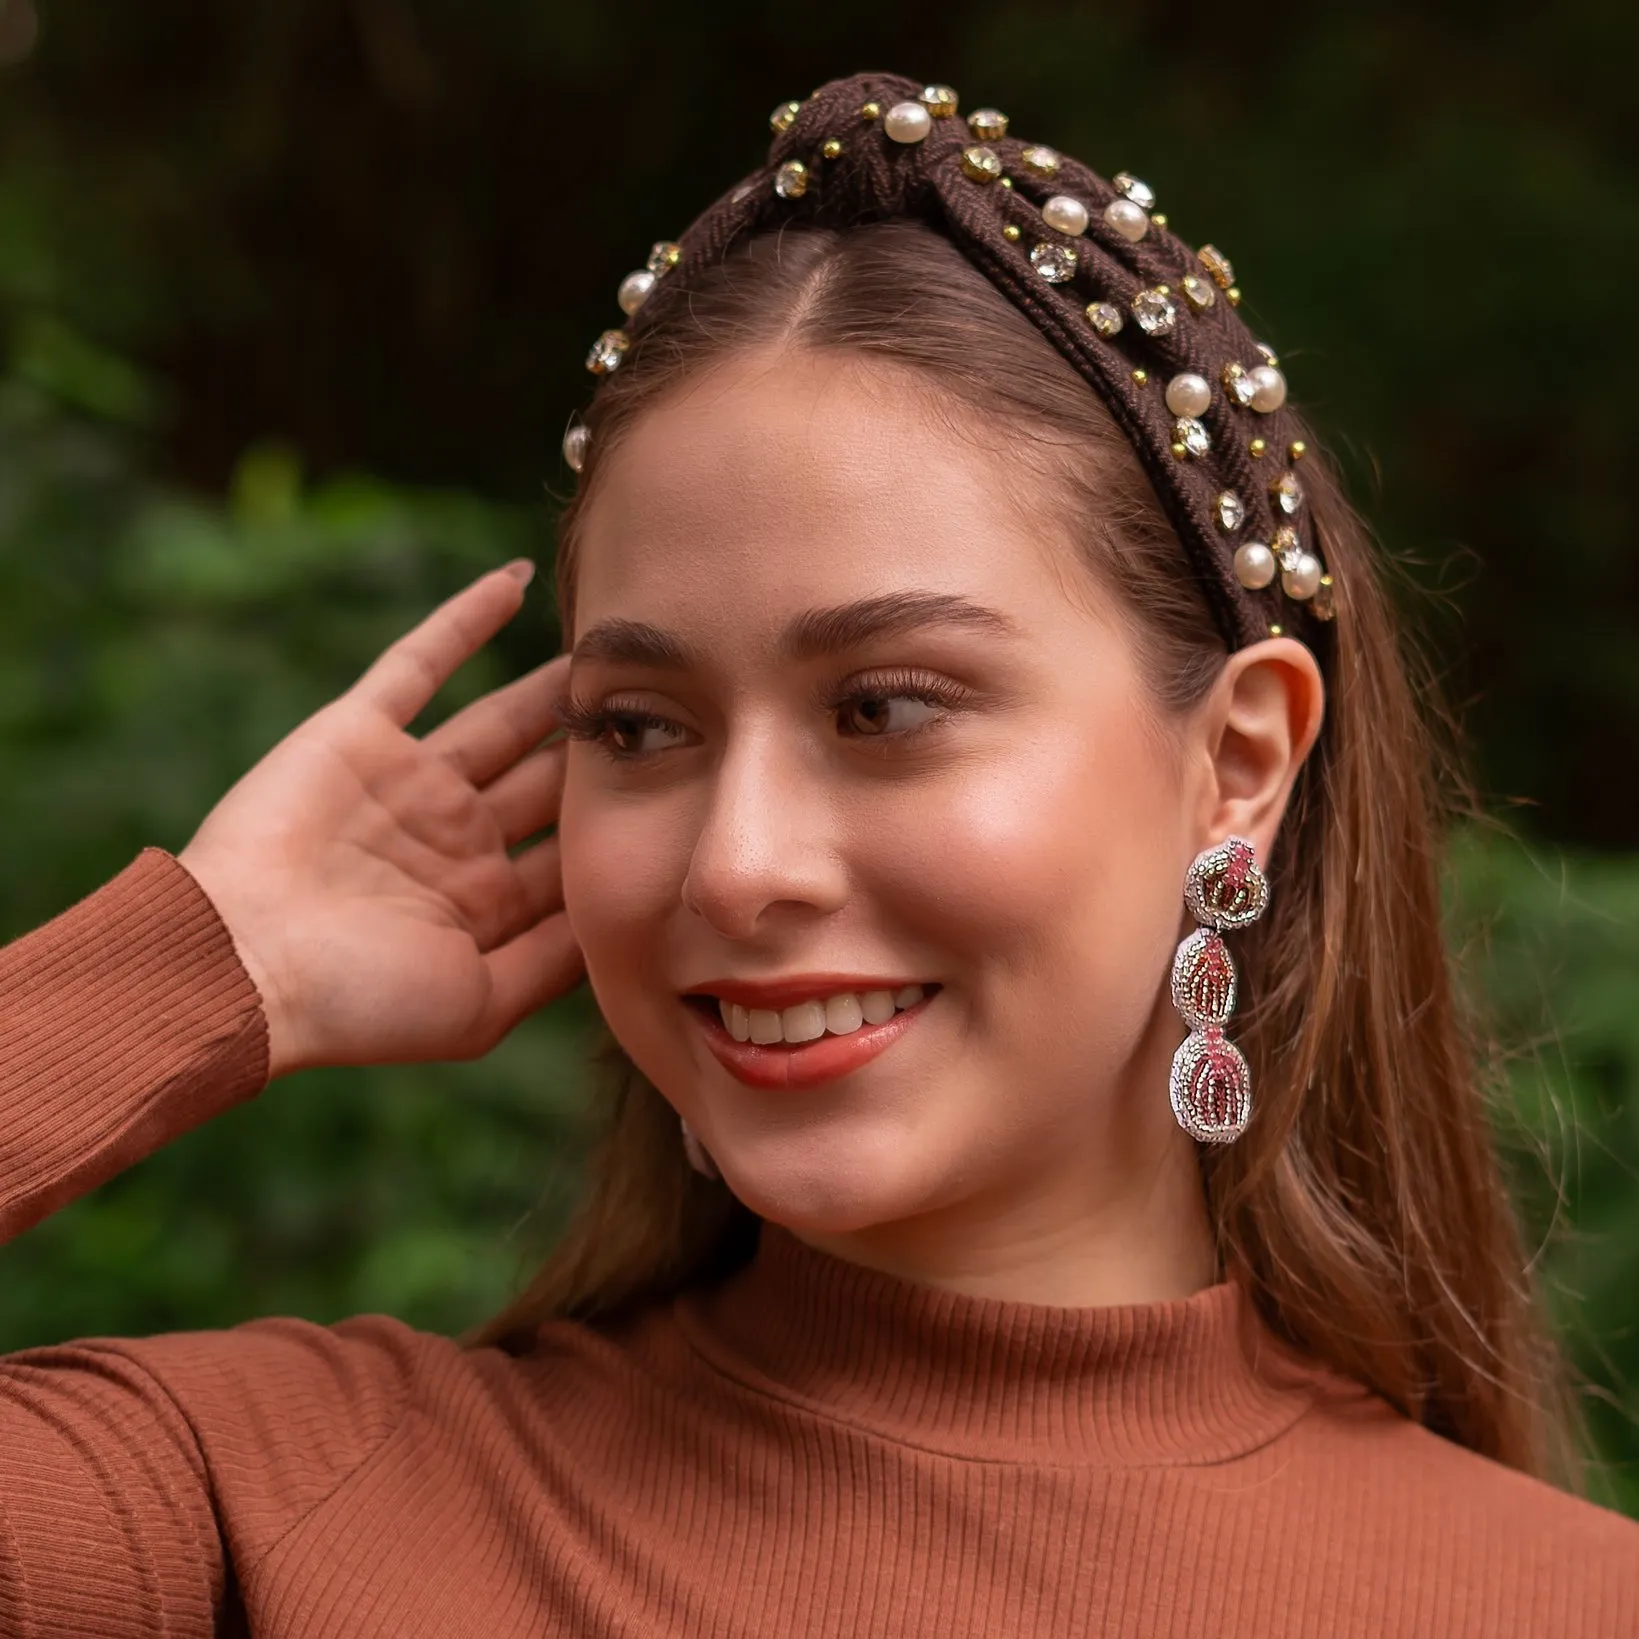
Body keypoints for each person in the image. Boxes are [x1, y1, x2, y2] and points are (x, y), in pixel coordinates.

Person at [0, 67, 1634, 1638]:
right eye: (639, 726)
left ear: (1237, 761)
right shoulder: (283, 1506)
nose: (735, 867)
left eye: (885, 706)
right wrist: (198, 967)